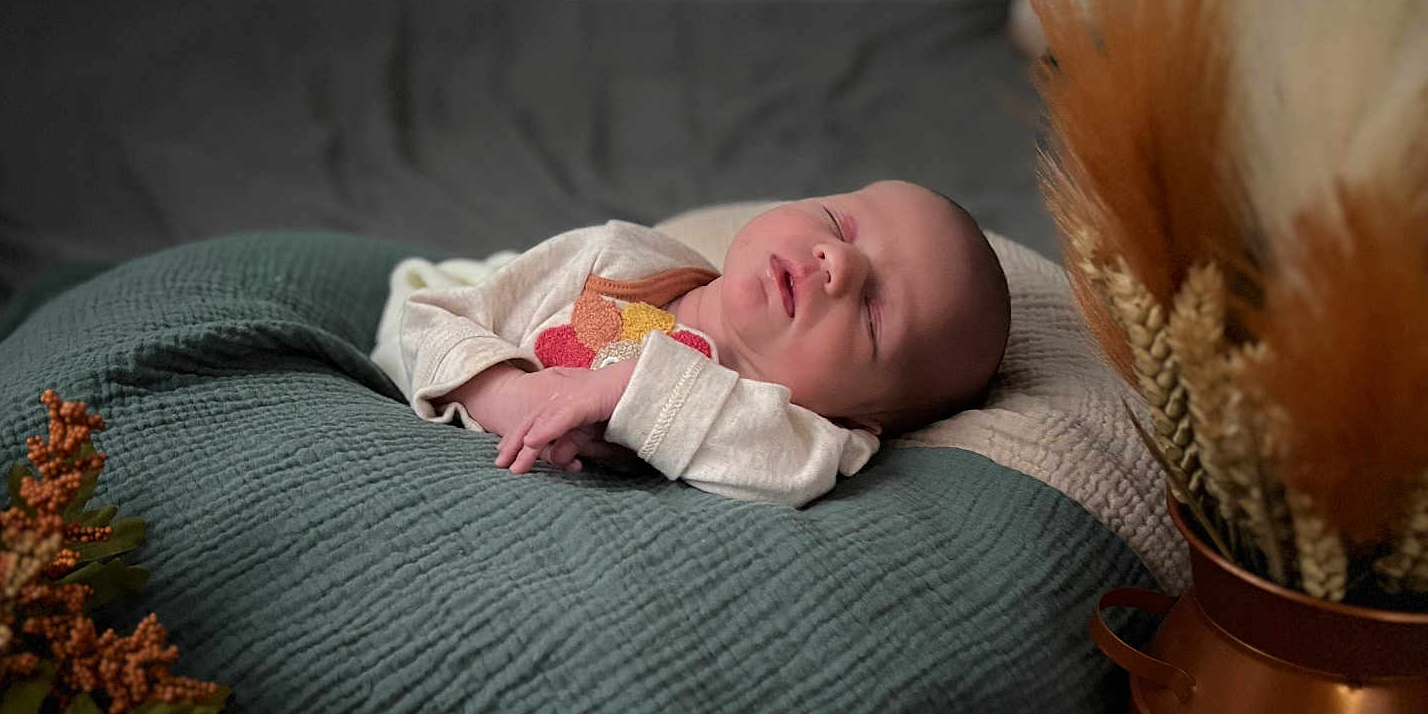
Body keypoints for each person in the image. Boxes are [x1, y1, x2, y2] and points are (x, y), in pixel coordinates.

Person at [371, 180, 1010, 507]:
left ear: (864, 417)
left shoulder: (803, 437)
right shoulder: (612, 260)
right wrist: (507, 392)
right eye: (839, 222)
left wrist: (626, 388)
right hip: (476, 294)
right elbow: (427, 322)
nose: (838, 260)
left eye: (872, 311)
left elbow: (783, 471)